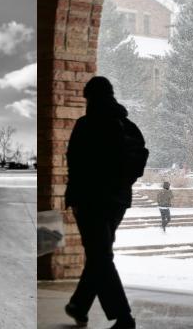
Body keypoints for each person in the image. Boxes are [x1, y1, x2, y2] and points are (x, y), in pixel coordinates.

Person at [62, 76, 138, 329]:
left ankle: (123, 316)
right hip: (117, 201)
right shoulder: (127, 125)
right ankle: (79, 305)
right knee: (100, 254)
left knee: (100, 255)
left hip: (90, 201)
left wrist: (73, 195)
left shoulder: (86, 125)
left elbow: (74, 162)